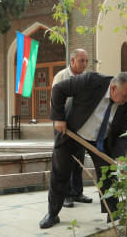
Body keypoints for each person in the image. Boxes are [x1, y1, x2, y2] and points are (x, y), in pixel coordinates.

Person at [39, 71, 127, 229]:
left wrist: (120, 157)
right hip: (71, 132)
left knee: (107, 175)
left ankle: (114, 215)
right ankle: (52, 213)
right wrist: (59, 118)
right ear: (112, 87)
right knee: (60, 173)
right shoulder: (91, 80)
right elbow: (58, 89)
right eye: (125, 94)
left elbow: (121, 135)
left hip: (100, 140)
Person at [51, 49, 93, 208]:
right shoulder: (62, 76)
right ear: (72, 61)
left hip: (80, 125)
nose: (85, 64)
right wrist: (60, 120)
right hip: (63, 124)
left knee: (79, 160)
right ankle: (66, 195)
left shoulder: (85, 78)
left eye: (87, 61)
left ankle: (77, 192)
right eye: (82, 60)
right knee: (65, 160)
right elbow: (55, 101)